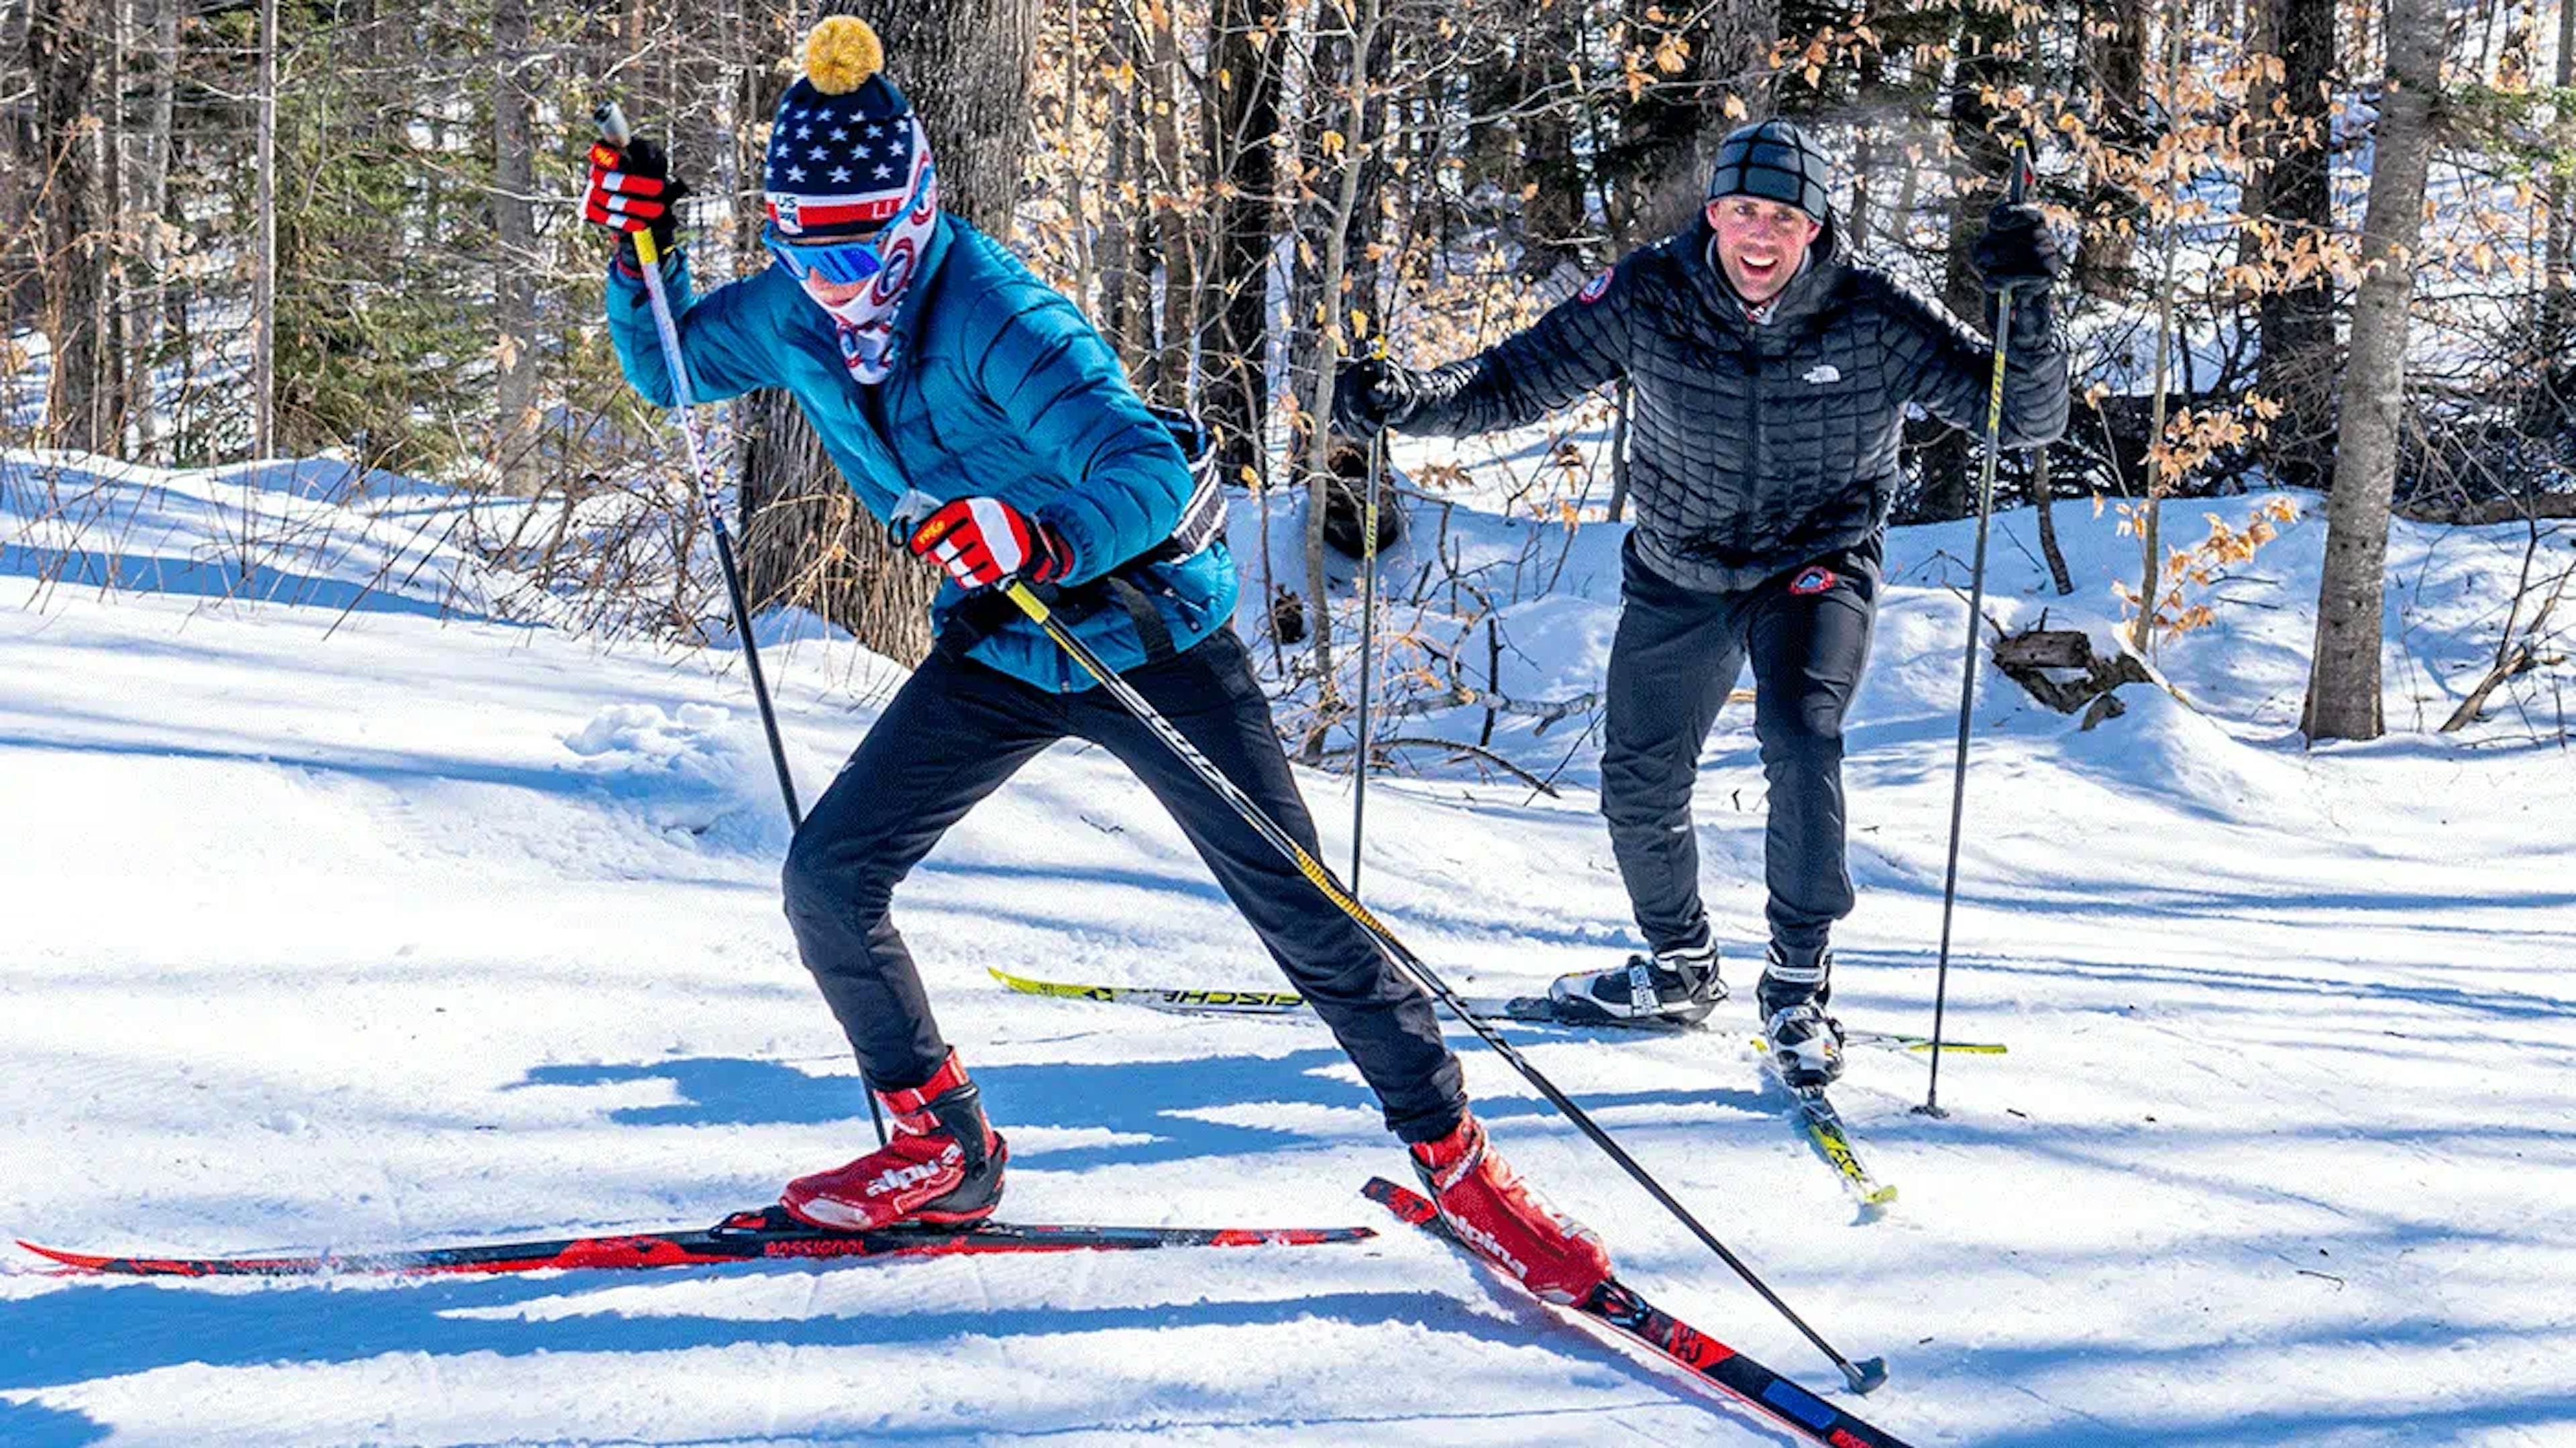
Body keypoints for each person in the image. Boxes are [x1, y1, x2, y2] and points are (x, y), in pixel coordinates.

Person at [582, 15, 1610, 1303]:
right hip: (1006, 641)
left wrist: (1035, 528)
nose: (836, 281)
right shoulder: (798, 309)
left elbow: (1148, 469)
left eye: (859, 248)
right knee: (829, 880)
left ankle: (1460, 1162)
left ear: (913, 213)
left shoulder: (1001, 315)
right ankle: (937, 1149)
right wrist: (639, 260)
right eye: (807, 245)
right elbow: (668, 373)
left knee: (1303, 910)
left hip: (1147, 628)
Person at [1334, 120, 2069, 1088]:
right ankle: (1678, 966)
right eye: (1742, 212)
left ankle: (1800, 985)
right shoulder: (1650, 292)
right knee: (1638, 779)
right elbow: (1517, 379)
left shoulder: (1875, 313)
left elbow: (2024, 416)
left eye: (1785, 217)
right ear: (1714, 213)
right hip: (1680, 562)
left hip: (1816, 561)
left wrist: (2033, 299)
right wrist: (1410, 399)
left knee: (1803, 737)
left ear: (1817, 227)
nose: (1759, 237)